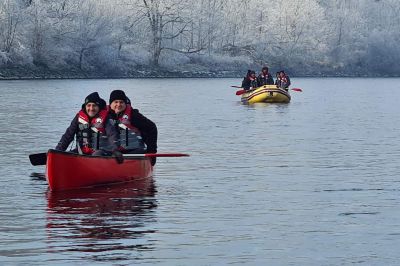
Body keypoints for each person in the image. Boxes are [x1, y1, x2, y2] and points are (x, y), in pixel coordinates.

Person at [55, 92, 124, 163]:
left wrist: (116, 150)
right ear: (85, 106)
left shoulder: (106, 117)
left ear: (98, 107)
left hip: (102, 151)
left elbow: (112, 135)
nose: (91, 108)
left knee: (96, 155)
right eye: (89, 105)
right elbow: (68, 135)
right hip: (82, 151)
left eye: (94, 106)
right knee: (69, 154)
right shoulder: (78, 117)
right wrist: (57, 151)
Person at [108, 90, 158, 166]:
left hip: (135, 151)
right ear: (110, 104)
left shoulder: (134, 115)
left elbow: (152, 128)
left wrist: (152, 152)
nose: (118, 104)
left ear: (125, 104)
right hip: (114, 152)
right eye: (116, 102)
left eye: (121, 102)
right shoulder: (103, 116)